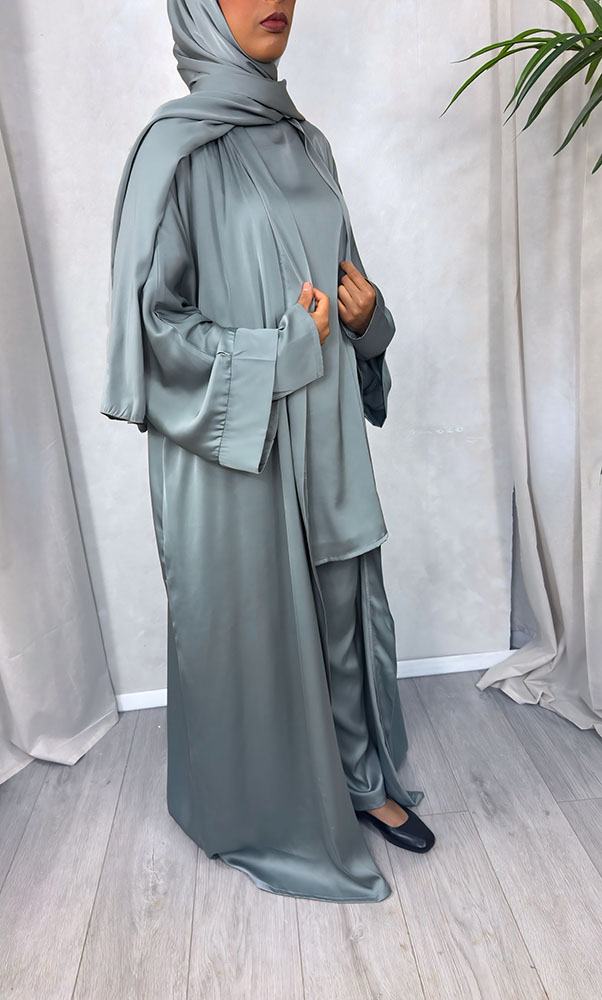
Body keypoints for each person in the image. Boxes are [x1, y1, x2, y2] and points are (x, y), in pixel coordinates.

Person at [100, 0, 435, 904]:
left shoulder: (307, 142)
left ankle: (359, 778)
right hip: (240, 451)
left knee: (342, 603)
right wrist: (281, 350)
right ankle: (276, 803)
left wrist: (369, 321)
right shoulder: (175, 154)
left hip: (325, 427)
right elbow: (156, 333)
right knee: (264, 628)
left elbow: (344, 287)